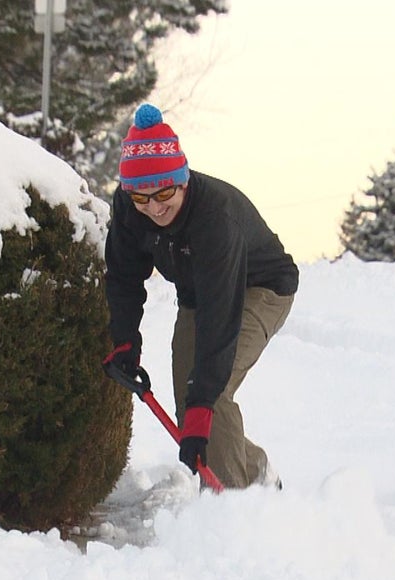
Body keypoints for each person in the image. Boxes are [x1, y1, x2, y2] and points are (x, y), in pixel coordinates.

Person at [102, 103, 299, 489]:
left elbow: (220, 319)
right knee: (188, 405)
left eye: (164, 194)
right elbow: (124, 277)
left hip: (261, 287)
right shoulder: (130, 207)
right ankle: (257, 471)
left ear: (182, 180)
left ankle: (232, 506)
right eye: (142, 198)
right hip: (198, 293)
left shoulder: (215, 219)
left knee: (212, 393)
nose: (155, 208)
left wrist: (203, 400)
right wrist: (125, 342)